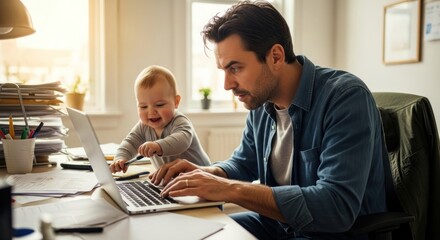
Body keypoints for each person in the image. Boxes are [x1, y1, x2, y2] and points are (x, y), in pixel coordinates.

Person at [149, 1, 388, 239]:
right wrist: (207, 174)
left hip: (330, 234)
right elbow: (244, 163)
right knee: (189, 231)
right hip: (279, 227)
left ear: (275, 56)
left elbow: (336, 207)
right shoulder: (260, 103)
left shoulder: (344, 97)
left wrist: (229, 189)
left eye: (235, 68)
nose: (227, 85)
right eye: (224, 70)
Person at [110, 65, 210, 173]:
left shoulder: (180, 121)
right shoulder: (143, 126)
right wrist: (120, 157)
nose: (151, 112)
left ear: (176, 102)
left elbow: (182, 141)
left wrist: (158, 146)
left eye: (159, 105)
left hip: (201, 177)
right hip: (174, 182)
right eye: (143, 107)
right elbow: (130, 142)